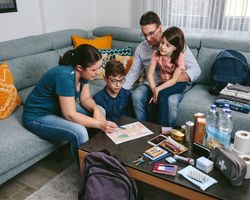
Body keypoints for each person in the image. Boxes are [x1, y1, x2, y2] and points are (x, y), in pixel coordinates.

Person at [22, 44, 117, 164]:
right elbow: (69, 114)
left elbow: (86, 98)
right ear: (79, 68)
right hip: (37, 116)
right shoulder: (64, 76)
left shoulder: (84, 74)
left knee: (100, 110)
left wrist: (96, 111)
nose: (97, 73)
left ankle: (97, 152)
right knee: (80, 131)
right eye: (94, 70)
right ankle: (87, 172)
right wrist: (100, 124)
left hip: (57, 109)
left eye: (99, 68)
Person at [123, 11, 201, 127]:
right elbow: (133, 73)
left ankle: (166, 134)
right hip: (151, 84)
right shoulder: (142, 48)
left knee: (170, 101)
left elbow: (196, 70)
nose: (148, 38)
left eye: (151, 33)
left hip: (173, 84)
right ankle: (144, 130)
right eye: (144, 34)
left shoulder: (176, 43)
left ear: (160, 28)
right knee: (136, 95)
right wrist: (118, 90)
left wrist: (174, 77)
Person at [147, 26, 187, 126]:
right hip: (164, 82)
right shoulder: (156, 54)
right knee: (151, 100)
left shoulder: (179, 56)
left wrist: (158, 89)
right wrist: (153, 89)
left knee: (162, 95)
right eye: (162, 42)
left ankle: (163, 129)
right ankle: (151, 127)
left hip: (178, 83)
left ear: (175, 47)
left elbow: (174, 80)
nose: (163, 46)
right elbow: (150, 74)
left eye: (167, 45)